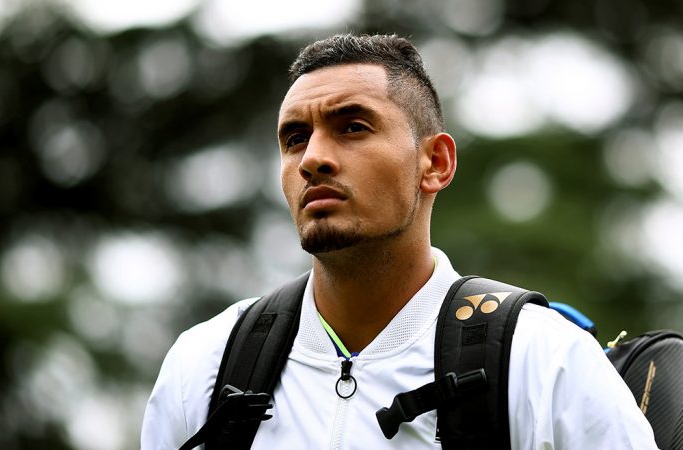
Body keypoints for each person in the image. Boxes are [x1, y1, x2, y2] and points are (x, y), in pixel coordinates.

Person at [141, 34, 658, 449]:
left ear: (435, 163)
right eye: (295, 137)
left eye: (353, 127)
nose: (312, 158)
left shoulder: (542, 359)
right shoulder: (207, 364)